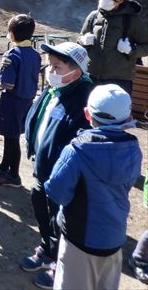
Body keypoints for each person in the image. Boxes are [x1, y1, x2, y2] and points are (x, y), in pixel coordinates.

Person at [44, 84, 142, 290]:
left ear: (87, 114)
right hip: (114, 238)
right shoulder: (133, 147)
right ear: (126, 117)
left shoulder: (77, 150)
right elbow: (129, 183)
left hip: (80, 239)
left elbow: (56, 189)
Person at [21, 42, 94, 289]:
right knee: (39, 203)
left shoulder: (84, 97)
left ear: (76, 71)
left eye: (57, 66)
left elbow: (80, 141)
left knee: (59, 218)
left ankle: (59, 263)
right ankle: (47, 247)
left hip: (62, 174)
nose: (50, 70)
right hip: (42, 167)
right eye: (50, 65)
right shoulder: (55, 89)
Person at [0, 14, 41, 188]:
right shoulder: (34, 53)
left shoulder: (12, 54)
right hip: (27, 100)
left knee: (12, 138)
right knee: (12, 135)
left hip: (12, 100)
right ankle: (4, 166)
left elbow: (7, 83)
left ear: (13, 33)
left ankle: (14, 175)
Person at [79, 0, 148, 94]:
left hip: (119, 80)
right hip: (91, 76)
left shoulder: (132, 20)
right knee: (87, 111)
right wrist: (83, 40)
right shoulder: (93, 16)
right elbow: (80, 38)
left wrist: (131, 50)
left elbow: (146, 46)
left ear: (121, 0)